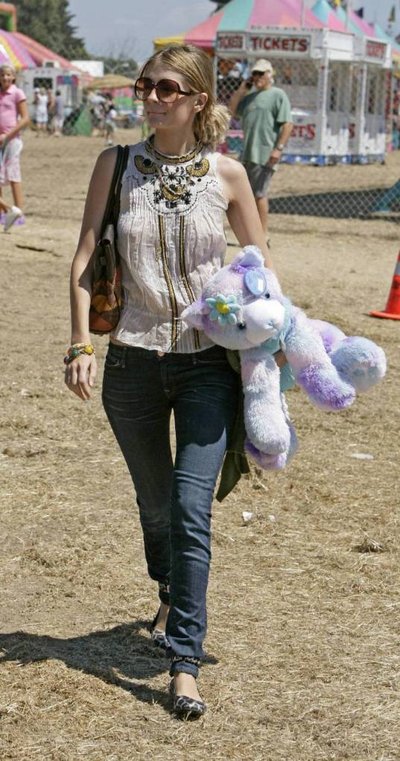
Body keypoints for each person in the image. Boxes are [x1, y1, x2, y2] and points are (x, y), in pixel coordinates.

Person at [65, 44, 275, 719]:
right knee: (156, 507)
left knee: (190, 507)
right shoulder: (116, 164)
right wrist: (81, 344)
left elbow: (261, 268)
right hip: (130, 362)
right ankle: (168, 590)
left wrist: (262, 336)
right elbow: (83, 257)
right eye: (146, 86)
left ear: (197, 99)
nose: (153, 98)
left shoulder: (228, 175)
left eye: (167, 89)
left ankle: (184, 660)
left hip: (208, 366)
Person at [229, 58, 293, 242]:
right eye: (254, 74)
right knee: (244, 196)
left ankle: (263, 234)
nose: (257, 77)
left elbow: (287, 124)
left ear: (269, 75)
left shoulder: (277, 95)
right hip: (248, 153)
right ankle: (251, 233)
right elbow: (231, 111)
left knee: (259, 195)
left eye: (260, 74)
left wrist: (278, 149)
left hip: (264, 154)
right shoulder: (250, 98)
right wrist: (242, 89)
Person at [0, 63, 29, 231]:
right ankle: (4, 212)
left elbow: (25, 119)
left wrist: (8, 135)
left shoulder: (17, 93)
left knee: (13, 175)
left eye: (8, 74)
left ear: (13, 77)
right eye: (2, 74)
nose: (5, 77)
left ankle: (19, 212)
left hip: (12, 140)